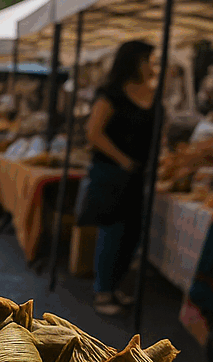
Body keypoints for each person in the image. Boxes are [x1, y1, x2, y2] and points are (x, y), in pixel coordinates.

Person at [84, 40, 159, 316]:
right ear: (136, 62)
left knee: (132, 233)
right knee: (113, 231)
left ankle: (114, 287)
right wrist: (123, 159)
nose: (154, 66)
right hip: (111, 172)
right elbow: (93, 133)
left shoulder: (154, 94)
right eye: (150, 60)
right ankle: (102, 291)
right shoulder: (111, 94)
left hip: (140, 174)